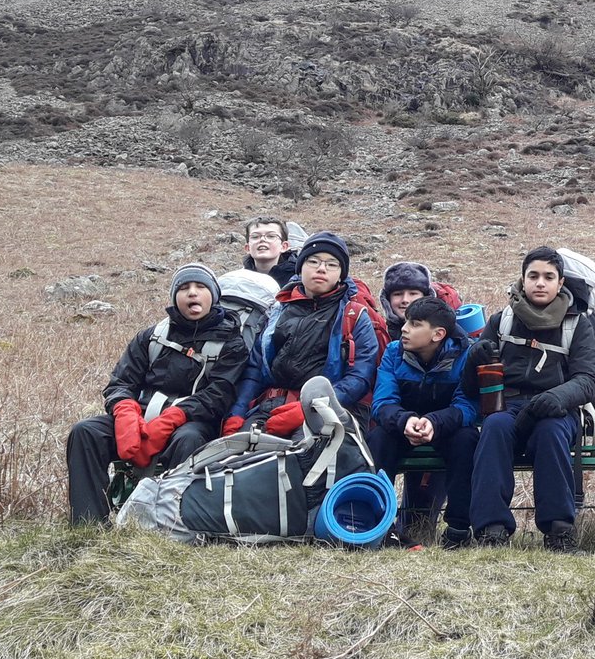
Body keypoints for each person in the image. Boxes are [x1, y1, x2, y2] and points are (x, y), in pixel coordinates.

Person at [66, 264, 248, 524]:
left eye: (200, 287)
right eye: (184, 288)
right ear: (174, 297)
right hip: (142, 416)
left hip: (193, 422)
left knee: (188, 441)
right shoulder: (151, 336)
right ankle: (89, 521)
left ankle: (171, 522)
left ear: (214, 296)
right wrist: (125, 413)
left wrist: (174, 417)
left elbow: (219, 395)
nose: (192, 294)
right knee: (86, 432)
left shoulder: (232, 343)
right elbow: (121, 382)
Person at [465, 246, 595, 551]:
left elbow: (588, 380)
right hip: (507, 406)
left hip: (556, 410)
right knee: (495, 429)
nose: (540, 283)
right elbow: (472, 387)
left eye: (548, 277)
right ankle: (491, 530)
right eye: (533, 276)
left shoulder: (577, 325)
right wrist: (474, 359)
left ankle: (559, 531)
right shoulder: (501, 321)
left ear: (560, 282)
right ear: (522, 280)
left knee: (551, 433)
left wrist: (557, 397)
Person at [224, 231, 379, 436]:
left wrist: (310, 408)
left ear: (341, 274)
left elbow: (360, 378)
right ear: (301, 267)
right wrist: (237, 412)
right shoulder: (277, 311)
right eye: (313, 261)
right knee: (238, 458)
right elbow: (255, 369)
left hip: (327, 413)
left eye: (332, 264)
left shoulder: (354, 316)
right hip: (267, 408)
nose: (321, 269)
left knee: (300, 460)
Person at [369, 296, 479, 549]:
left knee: (468, 439)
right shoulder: (394, 351)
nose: (405, 329)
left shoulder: (466, 355)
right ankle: (380, 525)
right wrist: (404, 421)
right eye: (406, 321)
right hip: (402, 426)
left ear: (438, 334)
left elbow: (467, 407)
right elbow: (382, 403)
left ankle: (458, 528)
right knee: (378, 438)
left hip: (446, 427)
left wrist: (435, 422)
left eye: (415, 324)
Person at [242, 216, 298, 287]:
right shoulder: (239, 280)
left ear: (284, 246)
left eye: (271, 236)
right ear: (247, 248)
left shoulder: (299, 280)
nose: (262, 239)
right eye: (255, 236)